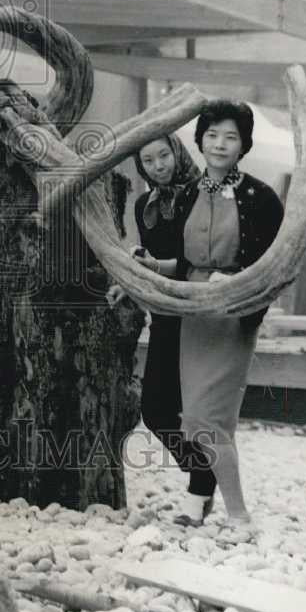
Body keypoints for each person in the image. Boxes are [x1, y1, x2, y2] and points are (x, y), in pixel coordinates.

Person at [133, 101, 284, 538]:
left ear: (244, 145)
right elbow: (183, 263)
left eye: (230, 137)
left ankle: (239, 519)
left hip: (233, 314)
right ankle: (206, 506)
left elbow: (274, 267)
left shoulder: (262, 198)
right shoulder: (187, 193)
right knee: (199, 420)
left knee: (206, 418)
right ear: (199, 141)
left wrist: (239, 294)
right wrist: (148, 265)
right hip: (192, 313)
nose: (220, 144)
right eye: (212, 135)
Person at [108, 135, 218, 525]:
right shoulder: (144, 206)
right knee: (155, 410)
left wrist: (150, 265)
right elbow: (153, 262)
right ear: (140, 166)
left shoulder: (204, 196)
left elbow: (193, 264)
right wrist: (132, 275)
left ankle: (199, 495)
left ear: (177, 152)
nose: (158, 165)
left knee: (201, 411)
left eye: (163, 155)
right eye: (148, 160)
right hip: (166, 317)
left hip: (202, 316)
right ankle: (203, 474)